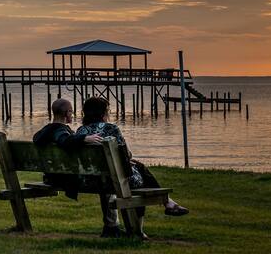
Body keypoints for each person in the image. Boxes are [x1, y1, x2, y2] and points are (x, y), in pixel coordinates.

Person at [75, 97, 189, 238]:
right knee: (139, 181)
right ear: (104, 112)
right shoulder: (111, 128)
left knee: (134, 167)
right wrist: (127, 159)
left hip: (90, 181)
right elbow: (126, 154)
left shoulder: (80, 131)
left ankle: (111, 227)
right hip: (114, 179)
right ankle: (143, 227)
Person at [32, 99, 103, 200]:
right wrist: (84, 138)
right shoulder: (59, 130)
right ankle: (110, 216)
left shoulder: (45, 131)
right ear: (67, 113)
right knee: (106, 179)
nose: (72, 114)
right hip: (67, 179)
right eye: (71, 112)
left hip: (51, 177)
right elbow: (64, 140)